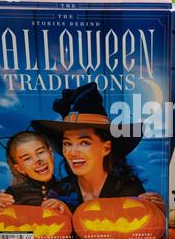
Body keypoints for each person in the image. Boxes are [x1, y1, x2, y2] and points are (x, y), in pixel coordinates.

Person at [32, 83, 165, 213]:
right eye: (67, 143)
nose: (72, 152)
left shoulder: (130, 191)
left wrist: (157, 215)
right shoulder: (58, 194)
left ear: (106, 148)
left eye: (84, 143)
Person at [0, 131, 68, 219]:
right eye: (27, 158)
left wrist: (65, 208)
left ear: (51, 154)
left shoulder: (68, 188)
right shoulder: (13, 194)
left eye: (41, 152)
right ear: (20, 169)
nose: (37, 160)